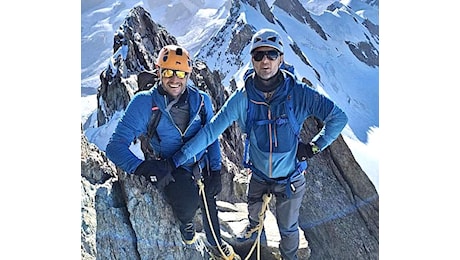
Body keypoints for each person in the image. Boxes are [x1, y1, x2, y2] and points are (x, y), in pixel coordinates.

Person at [160, 29, 348, 259]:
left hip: (289, 178)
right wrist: (176, 160)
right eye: (258, 55)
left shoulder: (299, 94)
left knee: (288, 230)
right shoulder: (243, 97)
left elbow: (338, 118)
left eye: (271, 54)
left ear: (281, 58)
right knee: (254, 219)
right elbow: (210, 132)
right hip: (259, 176)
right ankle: (255, 244)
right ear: (252, 59)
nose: (265, 61)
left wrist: (313, 147)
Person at [105, 45, 236, 259]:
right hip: (171, 168)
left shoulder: (202, 101)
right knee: (187, 205)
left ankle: (216, 245)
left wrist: (215, 169)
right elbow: (114, 146)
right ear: (159, 72)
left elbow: (211, 137)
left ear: (188, 75)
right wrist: (145, 168)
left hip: (200, 165)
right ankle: (186, 223)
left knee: (209, 202)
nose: (174, 80)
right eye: (168, 72)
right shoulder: (144, 103)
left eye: (180, 74)